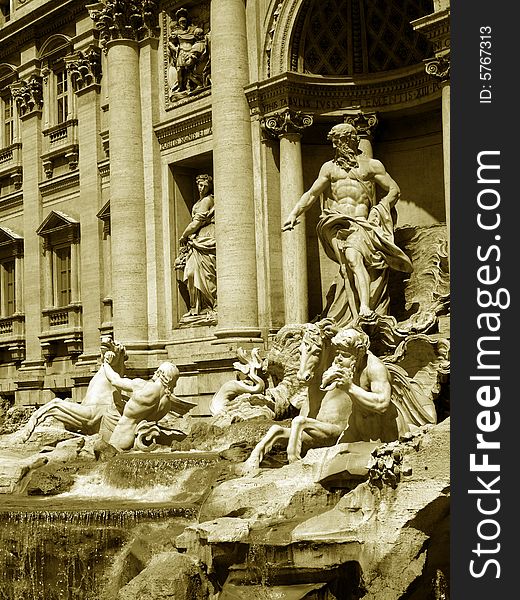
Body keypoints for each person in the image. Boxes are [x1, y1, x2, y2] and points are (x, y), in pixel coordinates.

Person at [282, 123, 413, 326]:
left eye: (343, 140)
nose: (339, 145)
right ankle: (356, 311)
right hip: (335, 224)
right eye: (336, 141)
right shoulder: (329, 168)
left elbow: (394, 190)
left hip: (362, 223)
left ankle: (364, 308)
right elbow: (312, 194)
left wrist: (379, 210)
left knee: (353, 259)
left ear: (354, 140)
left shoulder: (371, 165)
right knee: (347, 267)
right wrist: (294, 213)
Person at [102, 353, 191, 451]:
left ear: (159, 373)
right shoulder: (167, 403)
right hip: (142, 441)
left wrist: (106, 363)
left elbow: (115, 380)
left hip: (122, 437)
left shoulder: (143, 386)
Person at [175, 174, 217, 320]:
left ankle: (208, 304)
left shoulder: (207, 201)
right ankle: (196, 307)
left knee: (207, 273)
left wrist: (184, 235)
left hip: (206, 236)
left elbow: (197, 222)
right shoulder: (200, 201)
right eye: (199, 185)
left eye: (204, 185)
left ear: (209, 186)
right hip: (197, 240)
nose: (201, 188)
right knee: (192, 272)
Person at [168, 8, 208, 95]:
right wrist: (174, 49)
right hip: (181, 52)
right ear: (178, 22)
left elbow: (199, 38)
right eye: (181, 22)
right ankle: (180, 86)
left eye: (184, 21)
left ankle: (193, 85)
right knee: (179, 70)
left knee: (189, 71)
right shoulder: (176, 32)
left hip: (191, 52)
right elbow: (170, 42)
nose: (183, 23)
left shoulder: (193, 30)